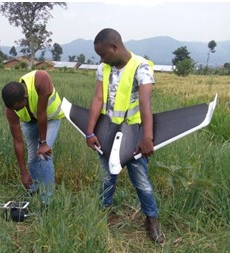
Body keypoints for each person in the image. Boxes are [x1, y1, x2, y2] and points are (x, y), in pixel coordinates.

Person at [86, 28, 165, 244]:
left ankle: (151, 219)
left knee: (141, 180)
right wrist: (90, 131)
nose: (102, 59)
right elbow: (97, 99)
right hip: (107, 131)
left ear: (115, 47)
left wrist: (147, 137)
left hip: (134, 133)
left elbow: (145, 103)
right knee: (106, 178)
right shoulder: (103, 68)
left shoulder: (141, 67)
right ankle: (103, 215)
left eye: (104, 54)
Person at [1, 70, 64, 206]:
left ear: (25, 97)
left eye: (19, 108)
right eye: (14, 109)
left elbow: (42, 114)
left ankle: (47, 201)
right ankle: (35, 189)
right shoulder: (11, 109)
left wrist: (43, 143)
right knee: (32, 157)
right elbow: (17, 141)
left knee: (44, 155)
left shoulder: (41, 79)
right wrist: (24, 173)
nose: (16, 111)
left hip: (50, 118)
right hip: (30, 121)